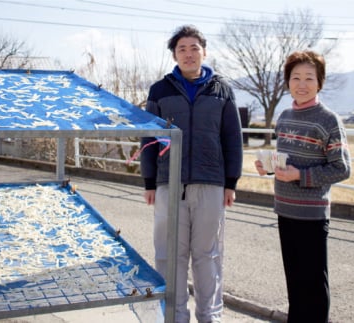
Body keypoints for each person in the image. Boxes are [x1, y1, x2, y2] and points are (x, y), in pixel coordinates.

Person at [140, 25, 243, 323]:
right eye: (182, 48)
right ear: (174, 54)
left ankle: (210, 317)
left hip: (211, 183)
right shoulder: (159, 90)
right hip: (168, 183)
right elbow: (148, 138)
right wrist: (149, 181)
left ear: (204, 52)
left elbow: (232, 139)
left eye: (194, 47)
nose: (188, 53)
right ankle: (174, 317)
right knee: (168, 256)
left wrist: (231, 182)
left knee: (208, 255)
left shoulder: (222, 89)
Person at [254, 50, 351, 322]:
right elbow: (284, 161)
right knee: (295, 284)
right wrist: (267, 168)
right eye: (295, 77)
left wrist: (300, 176)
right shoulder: (284, 117)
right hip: (284, 210)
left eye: (309, 77)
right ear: (288, 82)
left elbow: (342, 168)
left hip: (312, 213)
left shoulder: (328, 120)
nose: (302, 83)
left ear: (320, 82)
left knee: (314, 287)